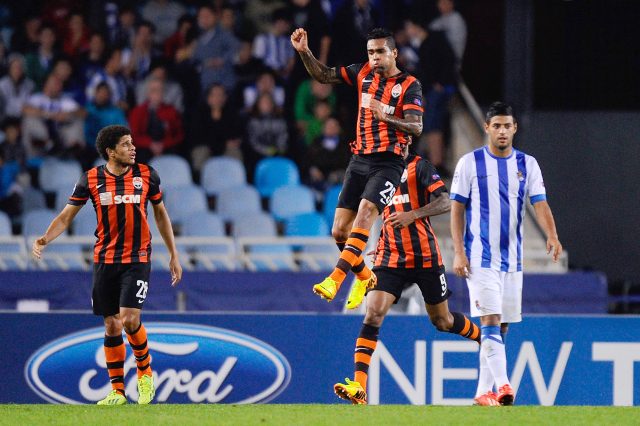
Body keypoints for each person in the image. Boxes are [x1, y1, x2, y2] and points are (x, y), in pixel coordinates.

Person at [31, 124, 183, 405]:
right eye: (126, 144)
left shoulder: (147, 175)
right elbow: (66, 216)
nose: (133, 148)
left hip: (137, 258)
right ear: (110, 152)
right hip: (105, 260)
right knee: (111, 325)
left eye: (132, 143)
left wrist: (174, 254)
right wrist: (44, 239)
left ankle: (145, 375)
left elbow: (161, 215)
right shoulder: (90, 179)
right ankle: (117, 391)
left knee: (129, 319)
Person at [333, 141, 481, 405]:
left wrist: (412, 215)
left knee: (442, 321)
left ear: (406, 141)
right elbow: (368, 213)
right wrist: (377, 245)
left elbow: (445, 201)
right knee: (373, 311)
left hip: (425, 257)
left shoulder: (419, 167)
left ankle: (483, 338)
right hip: (390, 257)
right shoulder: (376, 171)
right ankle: (359, 386)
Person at [290, 27, 423, 304]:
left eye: (380, 52)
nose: (374, 58)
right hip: (360, 159)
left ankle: (335, 279)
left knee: (365, 212)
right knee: (339, 231)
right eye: (371, 52)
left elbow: (416, 126)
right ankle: (365, 276)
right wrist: (305, 52)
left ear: (394, 53)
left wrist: (384, 117)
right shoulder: (361, 72)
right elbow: (323, 75)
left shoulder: (409, 85)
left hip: (389, 162)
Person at [449, 102, 562, 406]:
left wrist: (551, 234)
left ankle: (482, 392)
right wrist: (459, 253)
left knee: (502, 326)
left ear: (514, 128)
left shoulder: (528, 164)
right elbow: (456, 209)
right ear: (487, 128)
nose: (501, 131)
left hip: (512, 260)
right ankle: (504, 386)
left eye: (506, 126)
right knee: (490, 319)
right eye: (496, 125)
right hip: (479, 257)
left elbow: (539, 202)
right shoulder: (470, 163)